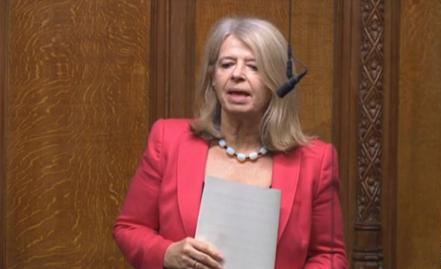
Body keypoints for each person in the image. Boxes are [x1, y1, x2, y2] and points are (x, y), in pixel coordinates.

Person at [113, 16, 347, 269]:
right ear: (213, 78)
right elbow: (129, 227)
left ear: (276, 83)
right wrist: (166, 253)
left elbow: (331, 256)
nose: (237, 74)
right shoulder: (168, 139)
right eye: (226, 64)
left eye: (254, 67)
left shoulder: (317, 161)